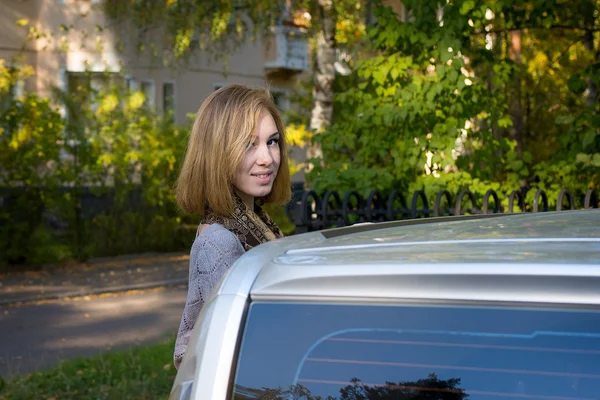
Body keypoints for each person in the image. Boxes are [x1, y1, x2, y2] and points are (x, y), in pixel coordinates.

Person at [172, 84, 291, 369]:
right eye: (250, 144)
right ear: (217, 153)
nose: (267, 158)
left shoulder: (257, 224)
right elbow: (239, 350)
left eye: (271, 141)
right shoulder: (219, 242)